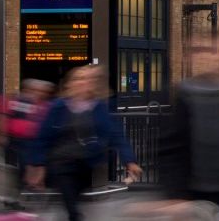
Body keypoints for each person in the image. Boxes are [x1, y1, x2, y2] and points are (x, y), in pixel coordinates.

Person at [157, 30, 219, 218]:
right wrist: (175, 194)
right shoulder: (185, 94)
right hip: (193, 190)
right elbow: (170, 148)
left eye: (209, 52)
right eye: (198, 52)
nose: (205, 58)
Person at [28, 64, 142, 221]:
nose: (83, 82)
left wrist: (129, 161)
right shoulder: (58, 107)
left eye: (88, 79)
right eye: (79, 79)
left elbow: (116, 134)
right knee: (72, 208)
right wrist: (37, 165)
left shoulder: (99, 108)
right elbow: (43, 136)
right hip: (61, 163)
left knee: (73, 201)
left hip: (84, 165)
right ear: (70, 83)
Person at [0, 78, 54, 208]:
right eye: (36, 90)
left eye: (43, 91)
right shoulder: (15, 100)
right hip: (13, 141)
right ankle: (14, 196)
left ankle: (19, 194)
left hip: (30, 142)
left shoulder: (42, 104)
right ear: (26, 89)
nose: (40, 93)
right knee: (15, 169)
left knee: (24, 168)